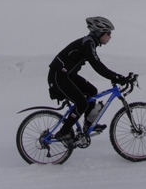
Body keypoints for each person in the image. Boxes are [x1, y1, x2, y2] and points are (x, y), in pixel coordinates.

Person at [48, 16, 128, 147]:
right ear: (99, 32)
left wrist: (116, 76)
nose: (110, 37)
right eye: (108, 33)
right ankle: (63, 132)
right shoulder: (88, 43)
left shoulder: (90, 43)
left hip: (67, 75)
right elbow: (97, 65)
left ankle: (88, 124)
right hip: (58, 76)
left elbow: (97, 64)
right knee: (82, 103)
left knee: (92, 91)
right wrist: (116, 77)